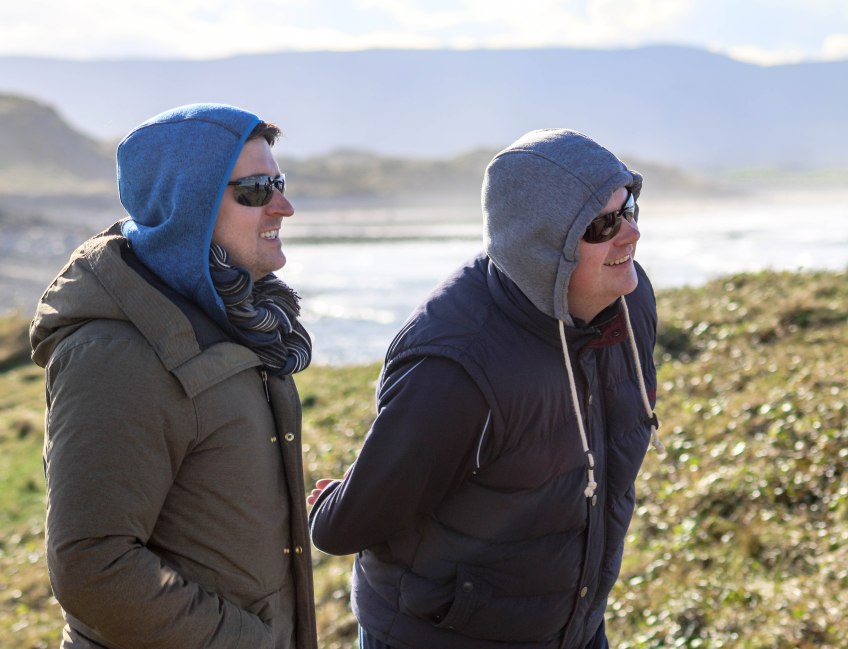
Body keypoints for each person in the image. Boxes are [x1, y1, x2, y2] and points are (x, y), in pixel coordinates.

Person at [308, 128, 662, 649]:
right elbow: (345, 528)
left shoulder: (628, 302)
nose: (630, 233)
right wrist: (330, 506)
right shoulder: (455, 366)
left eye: (628, 206)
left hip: (574, 628)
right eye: (602, 224)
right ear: (542, 245)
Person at [30, 103, 318, 649]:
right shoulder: (116, 354)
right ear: (191, 205)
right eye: (256, 190)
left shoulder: (238, 317)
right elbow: (92, 566)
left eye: (278, 183)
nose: (284, 206)